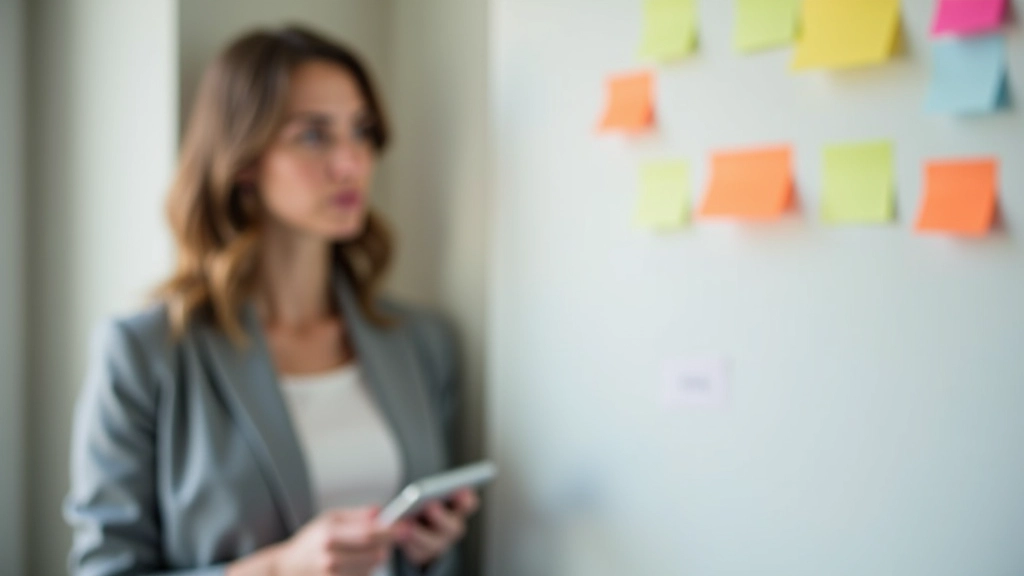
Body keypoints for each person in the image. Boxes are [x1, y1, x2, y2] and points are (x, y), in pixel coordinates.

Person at [64, 25, 478, 576]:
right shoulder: (144, 353)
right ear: (243, 160)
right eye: (314, 136)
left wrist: (429, 549)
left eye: (362, 132)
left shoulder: (421, 344)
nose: (350, 163)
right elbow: (105, 569)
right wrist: (280, 569)